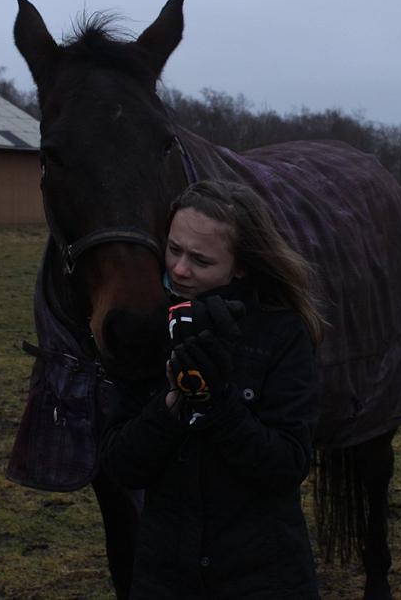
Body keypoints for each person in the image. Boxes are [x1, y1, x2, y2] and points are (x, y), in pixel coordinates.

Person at [100, 180, 322, 599]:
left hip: (263, 579)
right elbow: (121, 465)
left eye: (200, 260)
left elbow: (287, 465)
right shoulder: (146, 330)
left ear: (240, 266)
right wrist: (171, 405)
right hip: (164, 579)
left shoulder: (282, 334)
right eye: (174, 249)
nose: (180, 269)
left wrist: (218, 402)